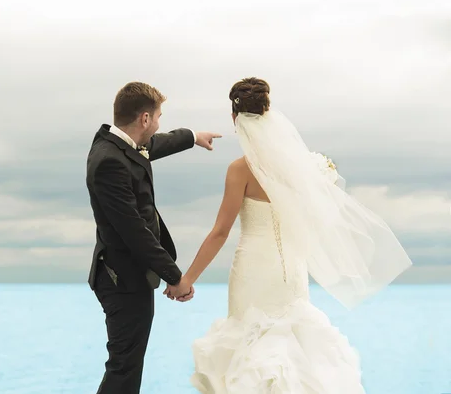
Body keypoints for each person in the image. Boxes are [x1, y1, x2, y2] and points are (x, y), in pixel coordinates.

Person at [165, 77, 412, 393]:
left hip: (253, 270)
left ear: (234, 119)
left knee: (247, 343)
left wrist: (187, 279)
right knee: (298, 345)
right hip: (292, 270)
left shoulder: (239, 169)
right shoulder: (302, 167)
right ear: (268, 114)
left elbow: (220, 232)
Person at [86, 81, 222, 394]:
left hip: (131, 275)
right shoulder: (109, 162)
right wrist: (176, 277)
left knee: (127, 365)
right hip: (121, 278)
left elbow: (154, 145)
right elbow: (135, 231)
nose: (159, 123)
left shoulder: (120, 145)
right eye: (158, 116)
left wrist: (192, 137)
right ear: (144, 119)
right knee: (124, 367)